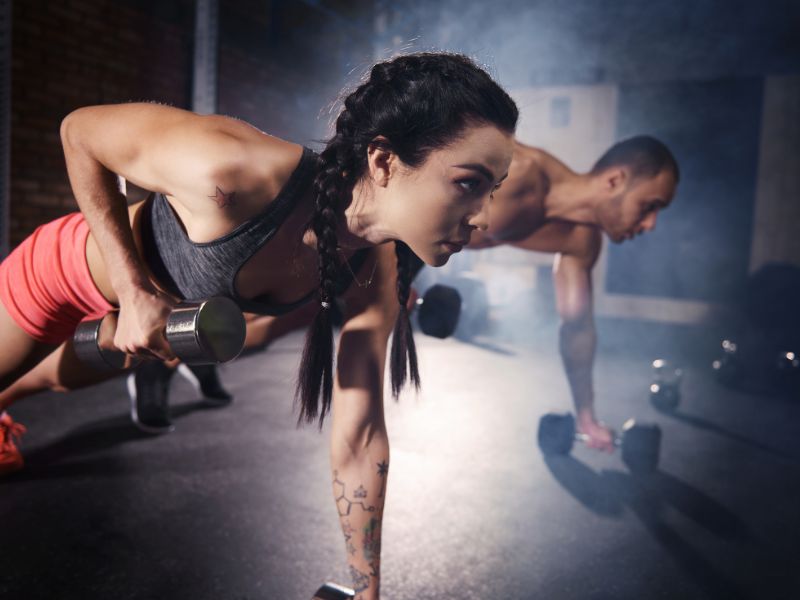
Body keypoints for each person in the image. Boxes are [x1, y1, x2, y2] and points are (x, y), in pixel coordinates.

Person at [0, 51, 519, 600]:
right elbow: (79, 131)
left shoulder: (372, 268)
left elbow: (361, 436)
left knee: (57, 381)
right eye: (469, 183)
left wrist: (367, 592)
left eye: (494, 189)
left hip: (144, 323)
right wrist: (132, 291)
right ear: (384, 160)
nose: (484, 215)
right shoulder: (234, 169)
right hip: (56, 275)